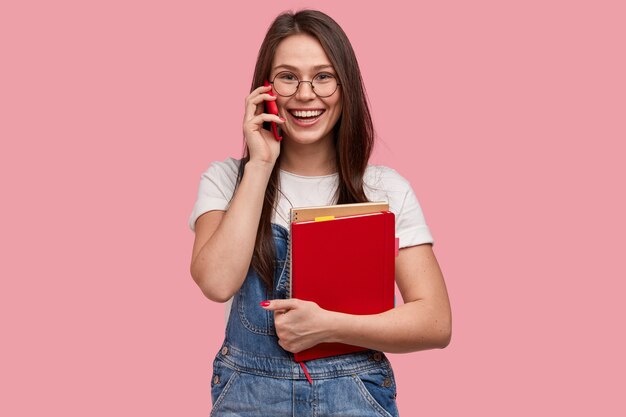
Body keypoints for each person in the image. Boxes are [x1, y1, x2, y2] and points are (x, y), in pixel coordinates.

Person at [189, 9, 451, 416]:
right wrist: (259, 165)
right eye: (288, 76)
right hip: (249, 399)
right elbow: (216, 283)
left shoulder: (384, 189)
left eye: (323, 77)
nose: (305, 93)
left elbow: (435, 321)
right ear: (265, 88)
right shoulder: (226, 180)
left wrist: (329, 325)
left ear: (346, 88)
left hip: (355, 396)